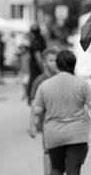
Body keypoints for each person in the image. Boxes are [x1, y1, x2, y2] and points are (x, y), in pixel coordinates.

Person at [30, 50, 91, 175]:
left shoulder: (44, 85)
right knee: (73, 170)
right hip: (76, 135)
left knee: (56, 168)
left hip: (53, 135)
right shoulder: (81, 84)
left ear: (58, 65)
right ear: (74, 65)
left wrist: (33, 124)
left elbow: (37, 110)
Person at [28, 46, 59, 175]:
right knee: (48, 152)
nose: (53, 63)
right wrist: (32, 125)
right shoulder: (39, 81)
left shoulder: (62, 77)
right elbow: (33, 106)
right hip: (46, 124)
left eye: (56, 60)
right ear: (44, 62)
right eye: (50, 60)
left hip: (63, 122)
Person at [26, 24, 47, 105]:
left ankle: (33, 100)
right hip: (38, 68)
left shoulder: (35, 42)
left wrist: (43, 69)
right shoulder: (41, 39)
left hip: (36, 69)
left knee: (35, 84)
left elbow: (38, 58)